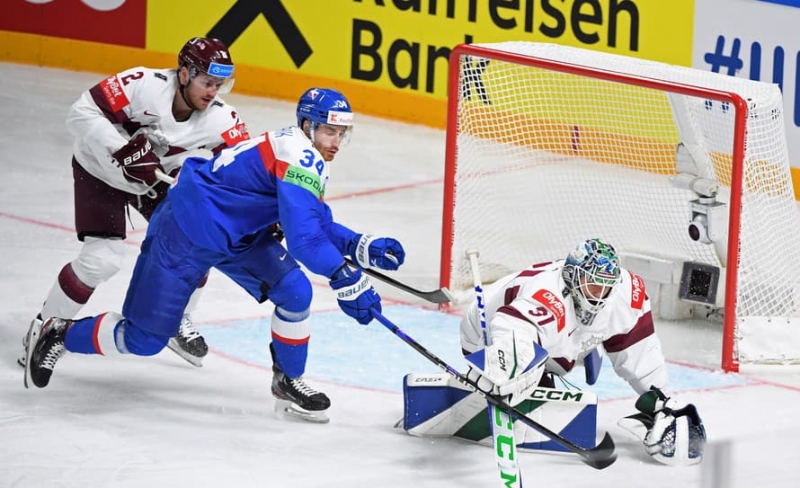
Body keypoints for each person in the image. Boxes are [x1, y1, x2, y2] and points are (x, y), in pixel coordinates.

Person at [23, 87, 406, 424]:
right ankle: (59, 333)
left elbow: (312, 220)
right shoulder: (298, 155)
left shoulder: (302, 151)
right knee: (144, 339)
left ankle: (288, 379)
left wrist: (358, 245)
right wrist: (346, 277)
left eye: (341, 133)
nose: (336, 141)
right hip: (186, 231)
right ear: (308, 126)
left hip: (237, 235)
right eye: (329, 131)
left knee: (296, 292)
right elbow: (305, 241)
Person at [19, 37, 250, 368]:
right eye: (207, 82)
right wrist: (121, 149)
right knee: (101, 261)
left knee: (198, 243)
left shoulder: (221, 118)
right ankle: (43, 330)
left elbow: (242, 169)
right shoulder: (142, 84)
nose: (213, 92)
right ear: (184, 74)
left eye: (219, 84)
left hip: (153, 182)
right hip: (99, 171)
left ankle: (175, 318)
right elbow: (80, 113)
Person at [402, 238, 706, 466]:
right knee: (525, 368)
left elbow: (640, 350)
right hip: (484, 333)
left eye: (605, 287)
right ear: (573, 277)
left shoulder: (626, 290)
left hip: (555, 333)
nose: (600, 295)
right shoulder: (547, 297)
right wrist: (505, 372)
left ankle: (574, 351)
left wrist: (660, 396)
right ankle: (538, 370)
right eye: (593, 286)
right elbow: (511, 327)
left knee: (575, 336)